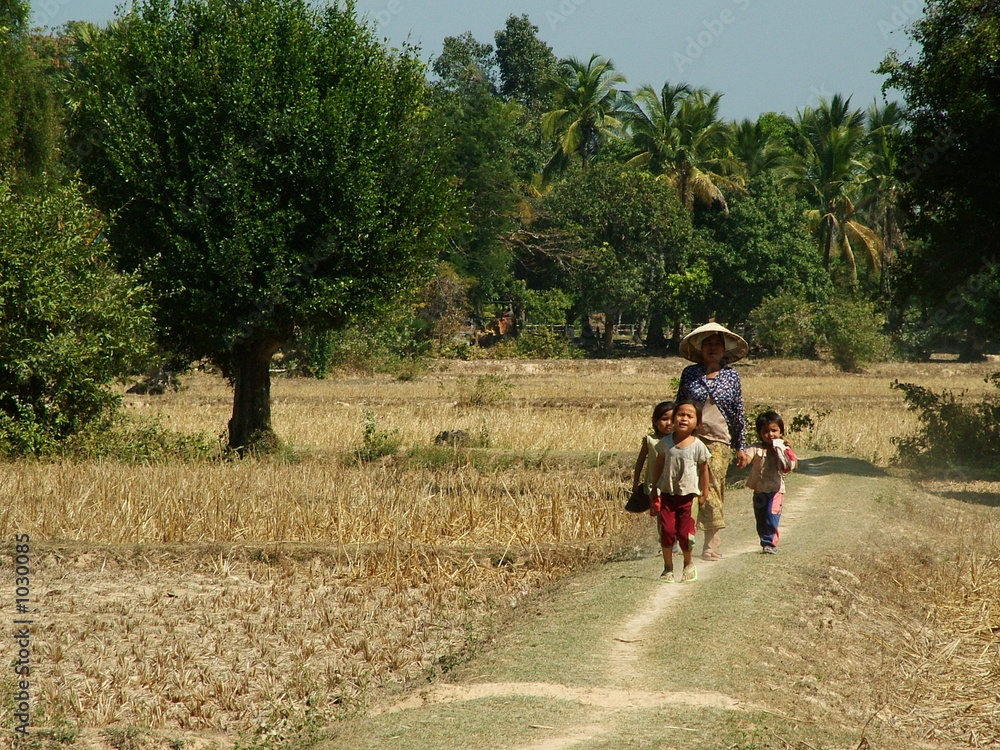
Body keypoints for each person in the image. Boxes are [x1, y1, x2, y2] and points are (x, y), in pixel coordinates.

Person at [675, 322, 750, 562]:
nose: (713, 348)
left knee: (713, 488)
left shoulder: (731, 376)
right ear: (700, 348)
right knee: (685, 487)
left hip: (719, 440)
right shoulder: (690, 374)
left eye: (718, 344)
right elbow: (679, 405)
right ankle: (681, 536)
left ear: (725, 348)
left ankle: (711, 542)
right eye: (708, 344)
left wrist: (741, 446)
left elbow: (738, 413)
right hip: (690, 438)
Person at [649, 401, 710, 583]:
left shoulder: (698, 446)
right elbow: (658, 464)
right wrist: (654, 488)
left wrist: (704, 493)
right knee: (667, 531)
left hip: (689, 497)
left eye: (689, 416)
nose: (684, 418)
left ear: (697, 423)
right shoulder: (665, 443)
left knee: (685, 534)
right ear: (674, 418)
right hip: (668, 494)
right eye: (680, 414)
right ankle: (668, 567)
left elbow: (704, 469)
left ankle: (688, 563)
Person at [745, 410, 797, 554]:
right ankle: (764, 540)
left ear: (781, 431)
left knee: (772, 515)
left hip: (776, 490)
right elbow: (747, 456)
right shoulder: (756, 448)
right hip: (759, 490)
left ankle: (770, 543)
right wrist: (743, 459)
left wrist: (786, 450)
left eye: (774, 430)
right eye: (766, 431)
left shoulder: (781, 448)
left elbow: (791, 464)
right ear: (759, 433)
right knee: (761, 517)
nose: (770, 434)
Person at [630, 400, 674, 500]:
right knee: (659, 513)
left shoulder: (679, 441)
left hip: (674, 486)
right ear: (655, 421)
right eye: (664, 419)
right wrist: (635, 482)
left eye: (672, 419)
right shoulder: (650, 440)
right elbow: (640, 461)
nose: (669, 423)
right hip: (654, 485)